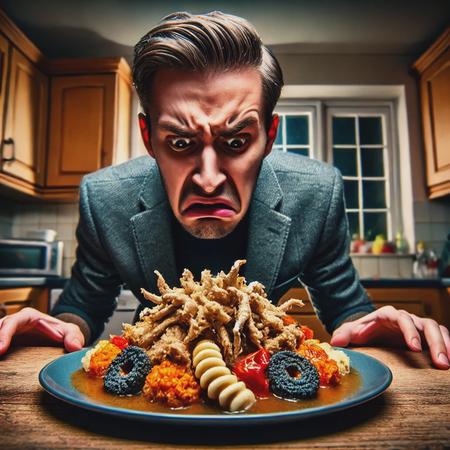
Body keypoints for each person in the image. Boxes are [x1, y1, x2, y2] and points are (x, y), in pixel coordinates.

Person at [0, 11, 448, 369]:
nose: (209, 178)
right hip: (156, 377)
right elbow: (84, 304)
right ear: (148, 137)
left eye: (236, 142)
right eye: (180, 143)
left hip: (266, 373)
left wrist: (375, 325)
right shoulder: (105, 198)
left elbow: (346, 308)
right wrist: (56, 327)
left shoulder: (318, 192)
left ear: (269, 138)